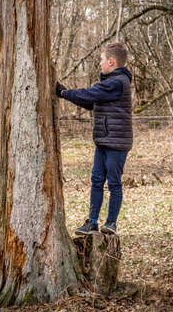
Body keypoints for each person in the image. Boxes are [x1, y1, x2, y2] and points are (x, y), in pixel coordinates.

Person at [56, 42, 133, 236]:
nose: (100, 64)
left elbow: (91, 93)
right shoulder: (110, 84)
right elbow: (90, 100)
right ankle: (92, 222)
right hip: (104, 141)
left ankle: (111, 223)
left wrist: (64, 93)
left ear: (111, 61)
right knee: (97, 180)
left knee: (114, 182)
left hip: (116, 143)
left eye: (101, 60)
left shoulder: (118, 82)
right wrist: (65, 93)